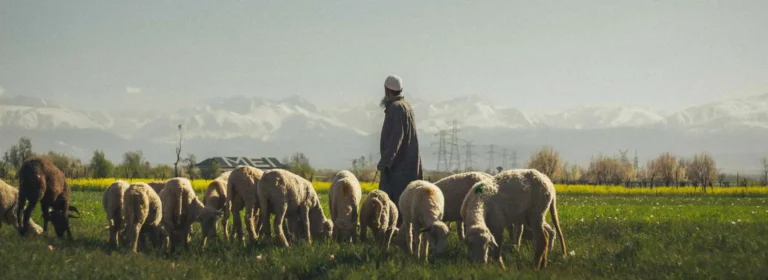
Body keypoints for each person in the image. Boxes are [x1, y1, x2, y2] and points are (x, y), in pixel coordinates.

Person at [377, 75, 423, 226]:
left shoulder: (395, 108)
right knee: (407, 206)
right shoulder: (407, 106)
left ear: (387, 90)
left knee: (393, 205)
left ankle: (394, 234)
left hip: (397, 169)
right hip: (410, 166)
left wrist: (386, 161)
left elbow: (396, 137)